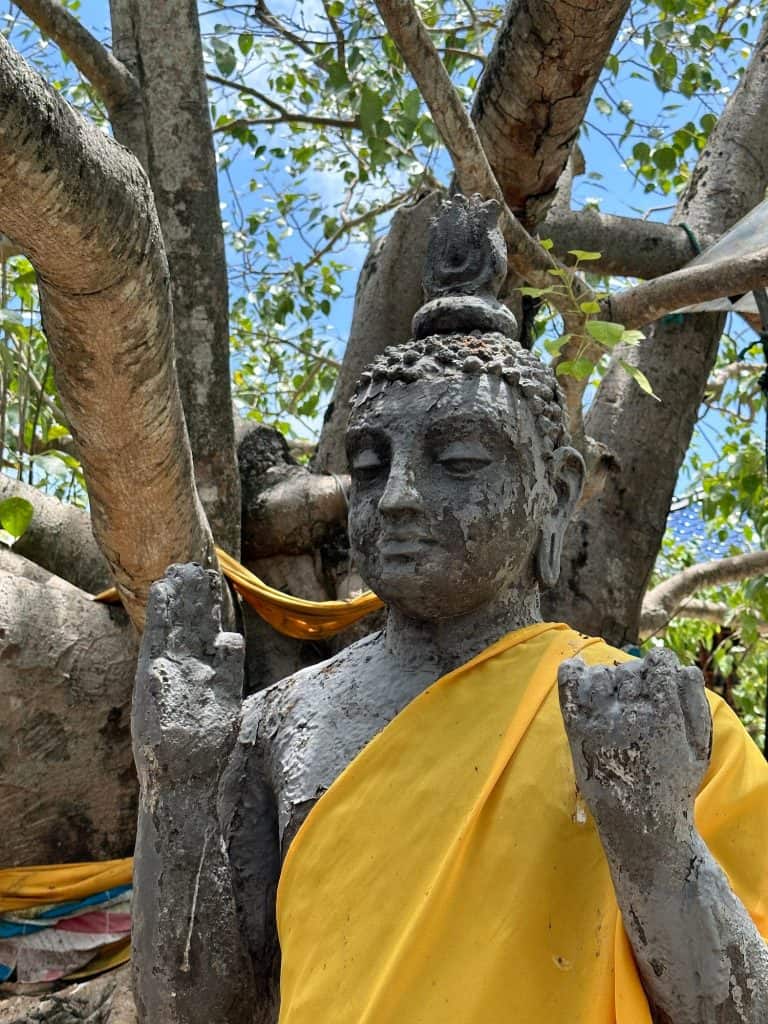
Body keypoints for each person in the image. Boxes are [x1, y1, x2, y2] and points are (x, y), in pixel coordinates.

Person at [131, 196, 768, 1024]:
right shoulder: (275, 727)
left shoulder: (660, 722)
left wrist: (656, 842)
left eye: (459, 460)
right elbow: (194, 1012)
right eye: (367, 467)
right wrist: (174, 784)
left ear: (557, 493)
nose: (396, 497)